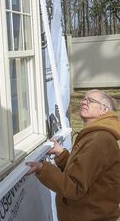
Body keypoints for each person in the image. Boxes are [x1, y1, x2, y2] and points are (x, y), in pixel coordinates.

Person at [26, 89, 120, 221]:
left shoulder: (98, 140)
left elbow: (74, 186)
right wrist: (61, 154)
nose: (83, 102)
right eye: (84, 99)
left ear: (104, 110)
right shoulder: (95, 135)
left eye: (91, 100)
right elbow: (85, 171)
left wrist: (42, 169)